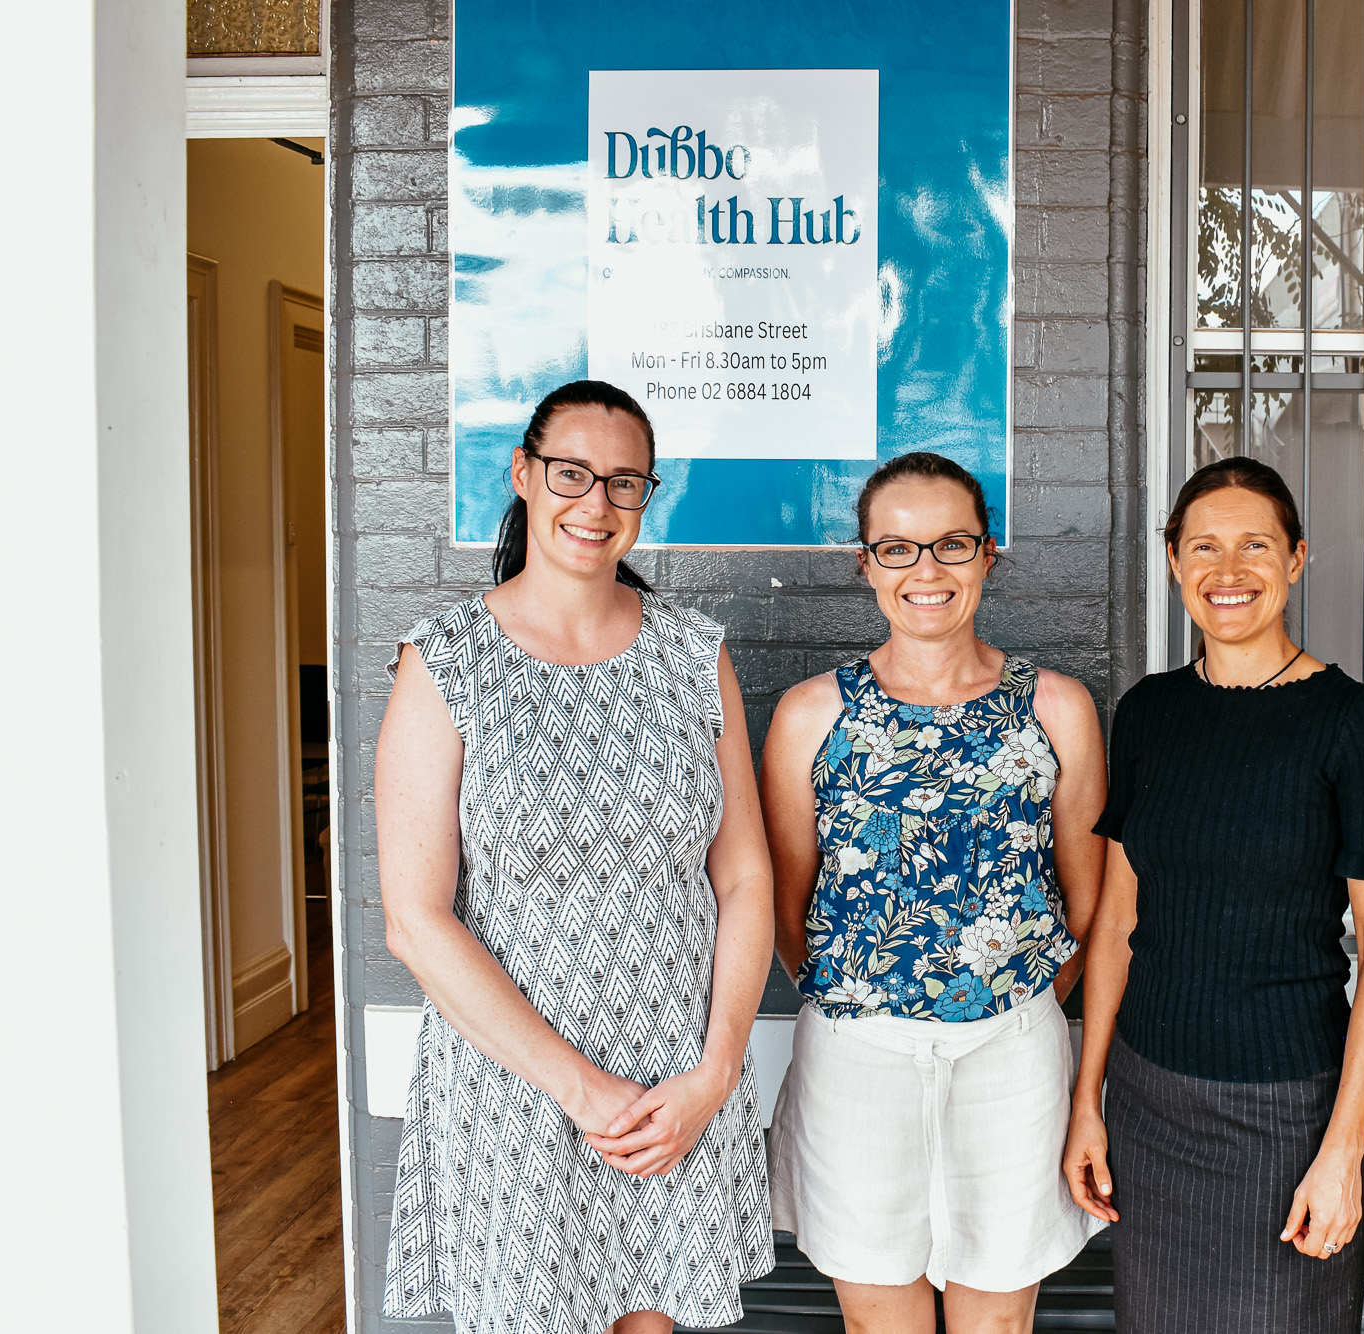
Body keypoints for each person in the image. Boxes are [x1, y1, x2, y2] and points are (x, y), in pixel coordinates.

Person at [376, 380, 775, 1333]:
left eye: (625, 482)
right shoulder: (448, 660)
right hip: (516, 1079)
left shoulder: (692, 652)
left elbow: (745, 875)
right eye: (571, 474)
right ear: (522, 474)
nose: (595, 504)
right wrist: (580, 1088)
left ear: (647, 496)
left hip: (674, 1079)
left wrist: (714, 1075)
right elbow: (415, 921)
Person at [1062, 456, 1364, 1334]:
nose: (1228, 572)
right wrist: (1089, 1102)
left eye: (1256, 546)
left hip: (1287, 1113)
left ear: (1298, 559)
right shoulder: (1151, 711)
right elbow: (1119, 922)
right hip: (1149, 1101)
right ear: (1174, 562)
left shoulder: (1350, 722)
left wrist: (1342, 1150)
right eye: (1204, 547)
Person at [761, 451, 1107, 1334]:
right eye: (898, 549)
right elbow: (787, 907)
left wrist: (1016, 1003)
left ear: (988, 553)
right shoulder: (812, 716)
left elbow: (1086, 900)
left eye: (951, 545)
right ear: (865, 563)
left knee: (998, 1319)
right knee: (883, 1320)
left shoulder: (1056, 708)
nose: (927, 571)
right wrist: (874, 999)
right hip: (857, 1051)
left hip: (1013, 1048)